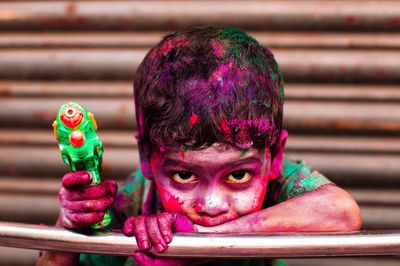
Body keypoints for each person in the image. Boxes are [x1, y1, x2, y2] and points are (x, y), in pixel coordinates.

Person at [37, 26, 361, 266]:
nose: (211, 205)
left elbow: (342, 214)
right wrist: (68, 226)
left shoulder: (277, 179)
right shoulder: (138, 201)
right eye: (183, 176)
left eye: (237, 177)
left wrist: (201, 242)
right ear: (147, 160)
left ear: (273, 157)